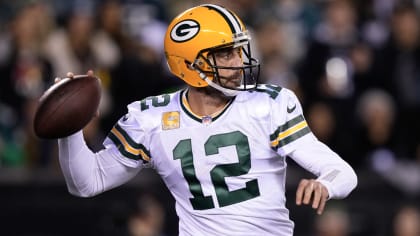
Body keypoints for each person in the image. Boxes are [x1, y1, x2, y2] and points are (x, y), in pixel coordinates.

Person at [57, 4, 357, 235]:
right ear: (190, 64)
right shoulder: (150, 118)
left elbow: (341, 171)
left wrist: (325, 186)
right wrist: (70, 129)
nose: (239, 62)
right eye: (225, 54)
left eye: (240, 51)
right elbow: (87, 182)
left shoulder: (269, 104)